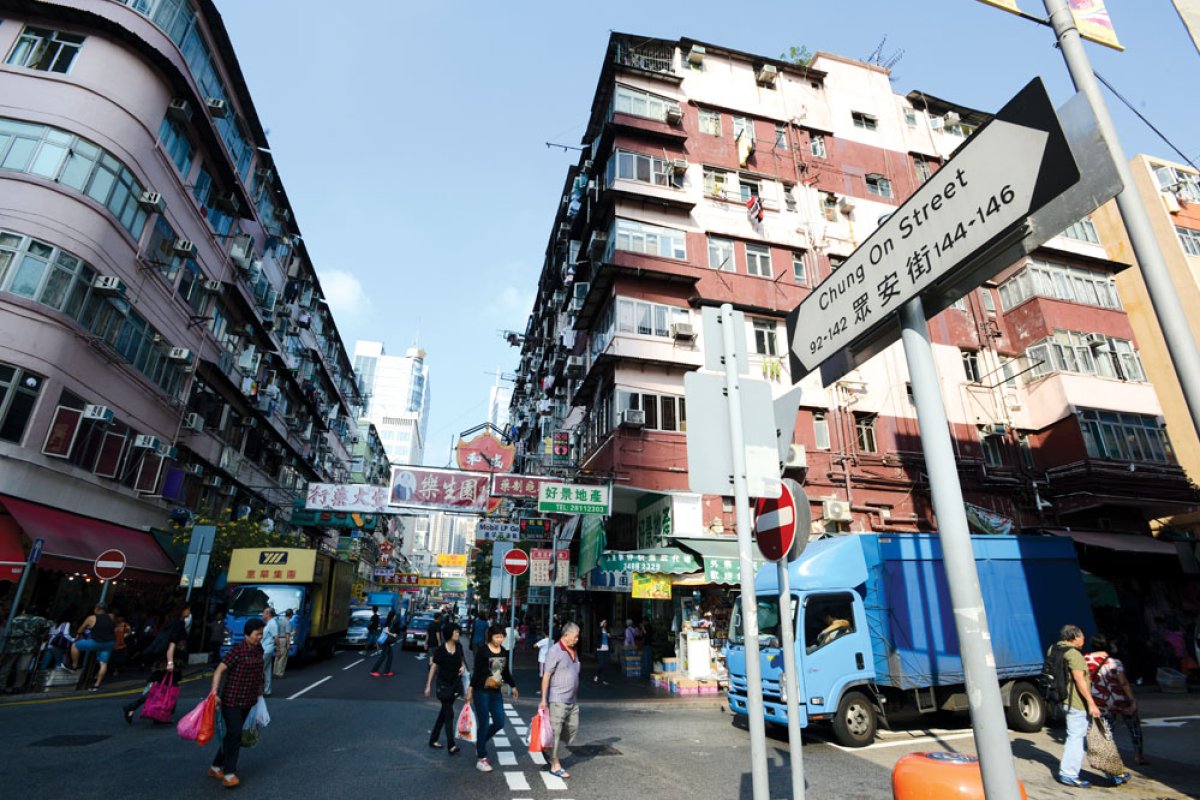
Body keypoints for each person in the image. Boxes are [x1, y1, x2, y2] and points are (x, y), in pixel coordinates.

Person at [207, 617, 265, 789]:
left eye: (261, 634)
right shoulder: (237, 651)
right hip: (231, 700)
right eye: (257, 634)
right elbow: (219, 670)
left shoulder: (258, 650)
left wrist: (260, 691)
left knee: (232, 735)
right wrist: (214, 692)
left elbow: (258, 671)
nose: (259, 637)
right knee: (235, 732)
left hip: (248, 700)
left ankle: (215, 766)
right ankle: (229, 773)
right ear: (247, 634)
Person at [1052, 624, 1103, 788]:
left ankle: (1108, 769)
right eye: (1082, 636)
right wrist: (1091, 703)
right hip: (1075, 702)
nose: (1084, 639)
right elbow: (1080, 680)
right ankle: (1069, 773)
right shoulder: (1074, 654)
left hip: (1060, 698)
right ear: (1074, 638)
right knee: (1075, 738)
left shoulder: (1054, 649)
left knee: (1078, 736)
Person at [1086, 634, 1147, 768]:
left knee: (1107, 728)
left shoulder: (1086, 660)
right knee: (1133, 726)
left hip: (1099, 699)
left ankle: (1106, 756)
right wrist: (1132, 700)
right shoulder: (1114, 662)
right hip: (1118, 698)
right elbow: (1124, 682)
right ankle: (1138, 755)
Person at [124, 603, 190, 724]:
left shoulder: (171, 622)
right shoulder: (178, 624)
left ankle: (158, 714)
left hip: (165, 661)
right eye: (188, 609)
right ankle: (134, 707)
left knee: (161, 687)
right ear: (183, 610)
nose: (189, 612)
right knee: (164, 688)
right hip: (170, 662)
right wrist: (170, 662)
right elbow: (172, 644)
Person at [468, 624, 519, 773]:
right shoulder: (483, 651)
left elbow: (505, 672)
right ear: (490, 636)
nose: (500, 639)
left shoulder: (503, 651)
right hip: (481, 691)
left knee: (499, 722)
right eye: (497, 636)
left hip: (496, 691)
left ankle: (480, 742)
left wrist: (513, 686)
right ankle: (481, 758)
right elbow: (477, 672)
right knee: (484, 723)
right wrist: (470, 690)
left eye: (502, 636)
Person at [540, 622, 581, 780]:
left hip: (572, 699)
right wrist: (544, 699)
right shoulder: (554, 651)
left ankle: (549, 749)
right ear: (566, 635)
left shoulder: (573, 650)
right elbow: (547, 675)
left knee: (572, 728)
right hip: (557, 699)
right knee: (556, 732)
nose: (577, 639)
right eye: (575, 636)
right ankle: (555, 763)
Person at [425, 622, 465, 755]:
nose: (458, 634)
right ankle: (451, 745)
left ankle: (433, 739)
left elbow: (462, 661)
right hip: (443, 686)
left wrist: (463, 667)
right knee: (449, 714)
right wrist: (428, 685)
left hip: (455, 685)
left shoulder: (459, 647)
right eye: (456, 632)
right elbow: (434, 667)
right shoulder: (441, 650)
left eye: (458, 632)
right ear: (449, 634)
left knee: (444, 714)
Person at [68, 603, 117, 691]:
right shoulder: (111, 617)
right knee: (103, 663)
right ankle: (96, 685)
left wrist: (78, 635)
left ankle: (74, 665)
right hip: (109, 643)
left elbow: (81, 628)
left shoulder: (91, 618)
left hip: (96, 642)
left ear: (97, 609)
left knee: (75, 645)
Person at [1, 606, 50, 693]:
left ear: (24, 611)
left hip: (13, 645)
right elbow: (50, 624)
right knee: (23, 668)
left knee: (6, 666)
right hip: (28, 646)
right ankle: (17, 687)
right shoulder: (38, 619)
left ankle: (1, 685)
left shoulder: (15, 619)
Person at [370, 611, 403, 677]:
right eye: (395, 616)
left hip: (387, 642)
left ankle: (386, 671)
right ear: (392, 616)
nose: (395, 617)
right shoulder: (388, 622)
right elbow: (385, 631)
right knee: (383, 656)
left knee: (390, 656)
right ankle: (373, 670)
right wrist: (393, 634)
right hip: (385, 641)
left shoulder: (391, 622)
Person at [260, 608, 277, 697]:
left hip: (267, 649)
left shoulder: (272, 623)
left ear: (268, 614)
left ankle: (256, 690)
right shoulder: (269, 623)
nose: (262, 615)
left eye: (263, 613)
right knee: (267, 671)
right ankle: (267, 690)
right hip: (266, 649)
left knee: (259, 669)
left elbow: (276, 637)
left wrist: (279, 650)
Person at [274, 610, 292, 678]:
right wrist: (288, 644)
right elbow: (287, 634)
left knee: (277, 656)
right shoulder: (287, 623)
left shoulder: (280, 621)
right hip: (283, 640)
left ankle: (275, 671)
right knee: (283, 657)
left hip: (278, 639)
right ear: (291, 615)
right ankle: (280, 673)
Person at [594, 620, 610, 684]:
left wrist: (609, 635)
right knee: (601, 664)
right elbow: (598, 634)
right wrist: (600, 627)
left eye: (606, 623)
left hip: (606, 649)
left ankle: (604, 679)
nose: (605, 624)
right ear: (601, 623)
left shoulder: (607, 630)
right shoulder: (599, 630)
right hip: (600, 649)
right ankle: (597, 675)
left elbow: (610, 636)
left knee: (605, 664)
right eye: (604, 623)